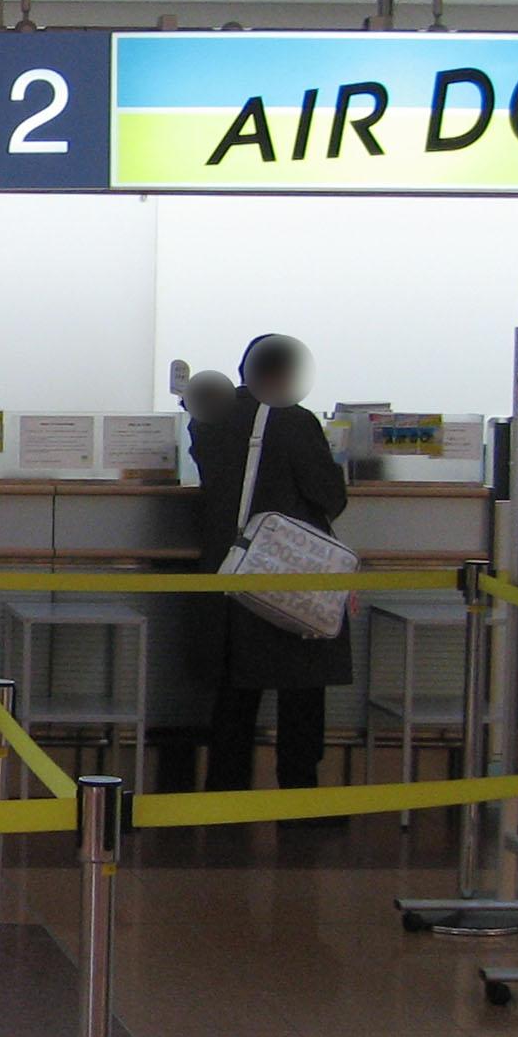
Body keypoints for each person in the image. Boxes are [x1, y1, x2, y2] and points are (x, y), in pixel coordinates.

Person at [190, 333, 350, 792]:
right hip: (286, 571)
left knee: (235, 692)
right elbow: (329, 497)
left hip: (229, 570)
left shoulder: (207, 418)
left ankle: (225, 794)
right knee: (301, 691)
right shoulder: (293, 421)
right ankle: (297, 799)